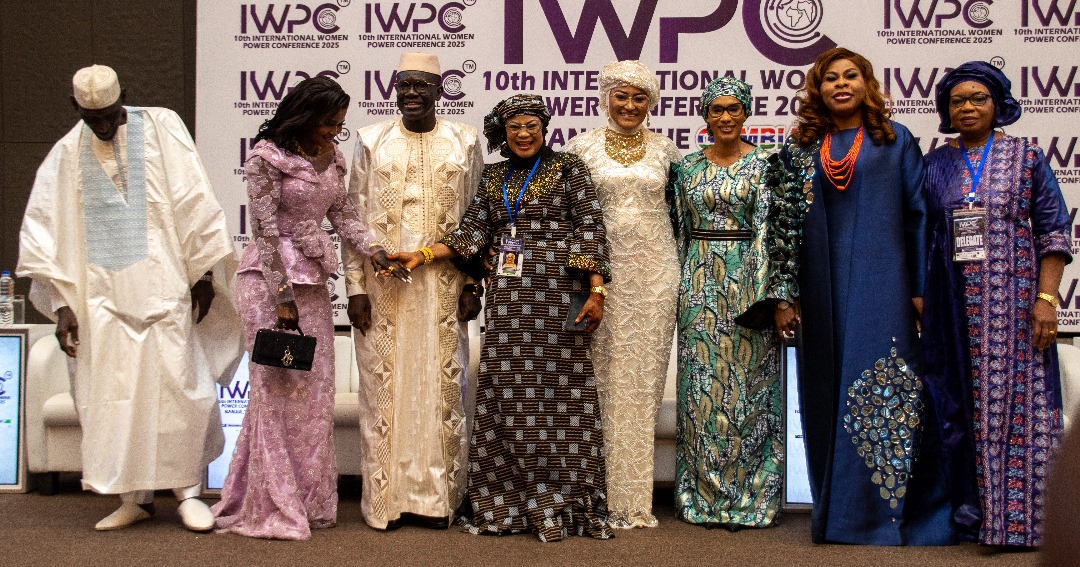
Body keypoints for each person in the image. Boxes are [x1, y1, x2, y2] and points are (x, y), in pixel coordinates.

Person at [16, 64, 244, 532]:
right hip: (101, 302)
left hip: (166, 291)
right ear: (75, 108)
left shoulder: (162, 127)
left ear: (126, 98)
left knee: (182, 394)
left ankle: (188, 494)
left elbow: (194, 199)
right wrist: (62, 306)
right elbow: (44, 234)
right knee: (114, 402)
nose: (103, 125)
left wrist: (203, 272)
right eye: (92, 118)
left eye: (110, 115)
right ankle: (132, 498)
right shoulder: (65, 155)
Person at [391, 94, 613, 542]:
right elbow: (473, 231)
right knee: (507, 396)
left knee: (562, 398)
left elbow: (589, 226)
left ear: (545, 129)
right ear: (503, 132)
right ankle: (507, 501)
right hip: (510, 299)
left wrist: (596, 290)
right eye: (515, 128)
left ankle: (564, 502)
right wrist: (423, 254)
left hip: (560, 295)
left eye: (532, 126)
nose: (524, 134)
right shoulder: (493, 177)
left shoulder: (569, 168)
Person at [770, 47, 954, 545]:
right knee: (826, 390)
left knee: (884, 386)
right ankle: (836, 514)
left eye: (851, 75)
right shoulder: (800, 148)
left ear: (867, 84)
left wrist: (919, 289)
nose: (841, 84)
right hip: (819, 287)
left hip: (884, 282)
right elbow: (782, 227)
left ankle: (885, 516)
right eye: (830, 78)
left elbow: (919, 215)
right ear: (818, 90)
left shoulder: (894, 140)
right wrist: (786, 294)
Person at [212, 76, 407, 540]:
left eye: (339, 124)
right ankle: (272, 503)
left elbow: (343, 216)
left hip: (313, 285)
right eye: (328, 123)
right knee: (274, 391)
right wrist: (281, 296)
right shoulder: (266, 158)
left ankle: (307, 500)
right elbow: (263, 231)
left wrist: (376, 251)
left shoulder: (332, 157)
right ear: (304, 116)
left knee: (313, 395)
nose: (334, 132)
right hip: (268, 284)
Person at [920, 61, 1071, 549]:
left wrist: (1046, 300)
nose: (967, 107)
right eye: (957, 100)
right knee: (957, 407)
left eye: (978, 98)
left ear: (998, 103)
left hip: (1015, 301)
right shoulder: (935, 164)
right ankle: (973, 518)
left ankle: (1022, 522)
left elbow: (1053, 232)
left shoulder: (1027, 157)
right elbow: (921, 232)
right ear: (946, 110)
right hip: (951, 305)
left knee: (1018, 408)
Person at [341, 52, 484, 530]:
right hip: (383, 288)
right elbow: (352, 218)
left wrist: (473, 282)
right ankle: (388, 501)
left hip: (443, 283)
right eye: (404, 84)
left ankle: (439, 500)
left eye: (422, 84)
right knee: (385, 389)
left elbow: (476, 217)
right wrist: (355, 288)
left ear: (440, 89)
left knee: (442, 388)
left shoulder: (465, 141)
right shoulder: (370, 140)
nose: (412, 93)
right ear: (394, 88)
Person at [563, 60, 680, 529]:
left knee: (642, 383)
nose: (629, 105)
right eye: (621, 96)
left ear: (651, 103)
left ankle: (633, 498)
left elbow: (680, 215)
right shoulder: (580, 148)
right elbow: (569, 217)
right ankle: (593, 494)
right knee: (597, 382)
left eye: (639, 98)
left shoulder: (667, 151)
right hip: (599, 280)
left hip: (655, 277)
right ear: (605, 97)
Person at [667, 76, 784, 530]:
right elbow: (678, 229)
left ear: (747, 112)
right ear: (705, 115)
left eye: (734, 108)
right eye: (716, 109)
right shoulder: (686, 168)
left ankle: (751, 497)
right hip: (697, 284)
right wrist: (680, 286)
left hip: (747, 285)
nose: (726, 117)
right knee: (700, 392)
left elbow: (771, 232)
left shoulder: (766, 164)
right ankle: (702, 496)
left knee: (750, 391)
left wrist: (771, 294)